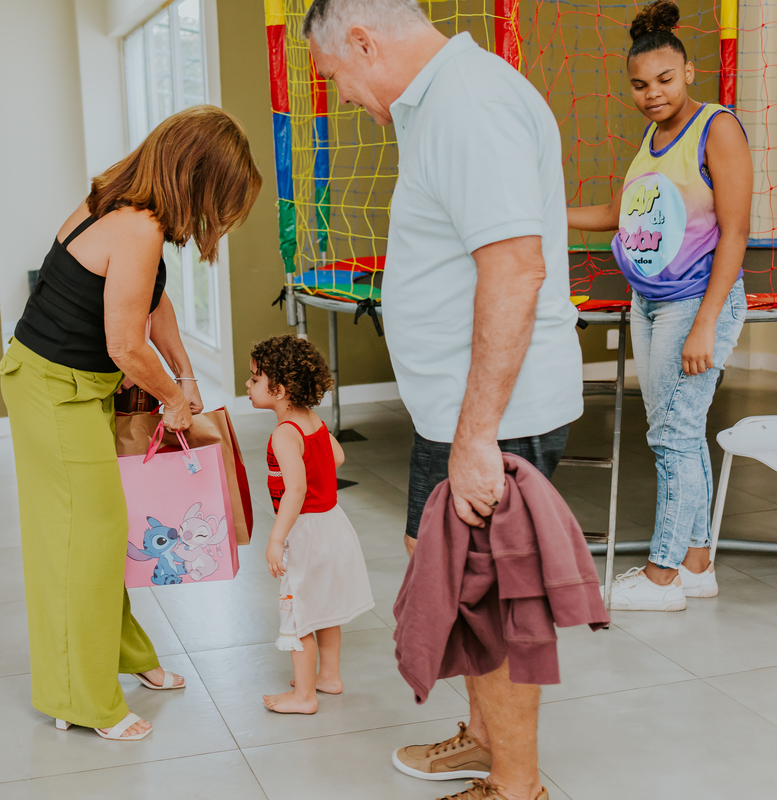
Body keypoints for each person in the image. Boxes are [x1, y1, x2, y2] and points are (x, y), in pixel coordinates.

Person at [302, 1, 583, 798]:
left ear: (363, 41)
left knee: (488, 602)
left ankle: (516, 786)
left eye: (339, 80)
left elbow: (515, 269)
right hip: (458, 412)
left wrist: (477, 437)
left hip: (495, 418)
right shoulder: (436, 102)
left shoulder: (466, 103)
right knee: (447, 580)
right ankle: (485, 741)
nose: (346, 97)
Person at [0, 105, 262, 741]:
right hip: (52, 390)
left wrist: (186, 375)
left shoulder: (127, 212)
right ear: (196, 177)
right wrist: (171, 397)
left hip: (76, 388)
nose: (216, 216)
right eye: (220, 198)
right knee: (80, 539)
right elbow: (124, 342)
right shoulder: (134, 226)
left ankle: (123, 656)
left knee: (99, 532)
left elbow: (152, 300)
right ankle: (81, 699)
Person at [568, 1, 750, 612]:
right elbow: (621, 216)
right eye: (640, 85)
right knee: (677, 430)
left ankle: (663, 576)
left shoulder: (716, 127)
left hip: (696, 304)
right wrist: (544, 215)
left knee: (671, 434)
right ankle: (697, 563)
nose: (652, 94)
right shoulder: (650, 139)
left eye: (665, 80)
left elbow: (735, 231)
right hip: (651, 302)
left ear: (689, 71)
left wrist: (705, 324)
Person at [245, 335, 375, 715]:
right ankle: (328, 676)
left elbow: (295, 490)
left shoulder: (284, 433)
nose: (248, 386)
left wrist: (276, 538)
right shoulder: (311, 421)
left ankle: (304, 695)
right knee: (324, 607)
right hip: (332, 523)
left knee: (299, 611)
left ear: (280, 389)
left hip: (305, 532)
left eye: (254, 379)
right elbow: (337, 456)